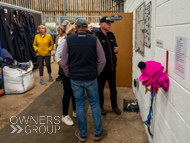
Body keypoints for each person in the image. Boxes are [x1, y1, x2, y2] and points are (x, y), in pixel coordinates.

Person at [62, 18, 107, 142]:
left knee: (80, 104)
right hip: (91, 77)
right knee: (94, 103)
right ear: (86, 27)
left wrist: (69, 74)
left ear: (76, 27)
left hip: (76, 78)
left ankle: (82, 134)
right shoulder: (94, 39)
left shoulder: (69, 40)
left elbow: (64, 61)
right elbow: (102, 60)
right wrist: (95, 72)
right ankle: (98, 133)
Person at [95, 16, 121, 115]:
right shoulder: (96, 35)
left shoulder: (111, 34)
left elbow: (115, 46)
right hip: (101, 69)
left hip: (112, 68)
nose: (110, 25)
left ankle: (114, 106)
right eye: (107, 23)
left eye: (110, 23)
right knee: (100, 89)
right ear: (101, 24)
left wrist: (117, 50)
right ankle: (101, 107)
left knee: (113, 88)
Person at [55, 24, 76, 126]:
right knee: (68, 92)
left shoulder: (75, 41)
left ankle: (75, 111)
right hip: (65, 72)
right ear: (71, 31)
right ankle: (64, 115)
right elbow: (57, 57)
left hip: (73, 72)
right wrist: (66, 69)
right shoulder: (65, 41)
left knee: (75, 92)